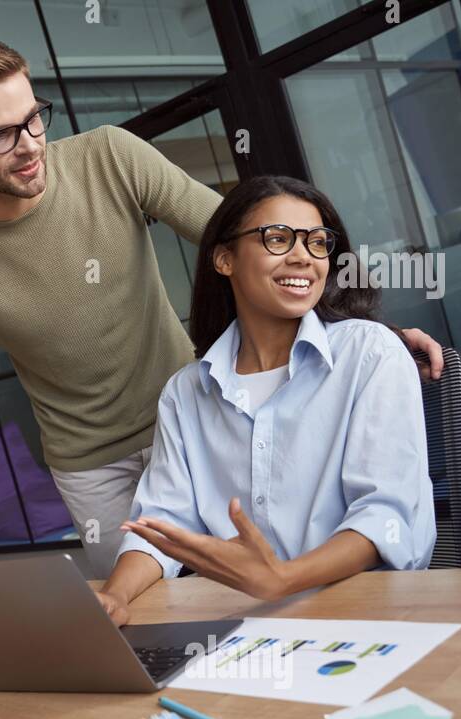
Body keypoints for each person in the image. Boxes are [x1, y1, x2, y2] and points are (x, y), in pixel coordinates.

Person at [0, 37, 443, 607]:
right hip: (90, 463)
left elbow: (240, 242)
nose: (29, 147)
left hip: (200, 418)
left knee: (255, 588)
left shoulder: (110, 158)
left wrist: (362, 334)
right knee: (147, 609)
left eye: (33, 120)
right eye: (0, 135)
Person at [92, 175, 436, 626]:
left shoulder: (370, 354)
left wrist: (283, 578)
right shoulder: (186, 393)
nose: (303, 257)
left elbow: (383, 513)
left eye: (317, 243)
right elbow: (163, 522)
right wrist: (115, 596)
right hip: (247, 619)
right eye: (277, 238)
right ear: (224, 258)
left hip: (366, 610)